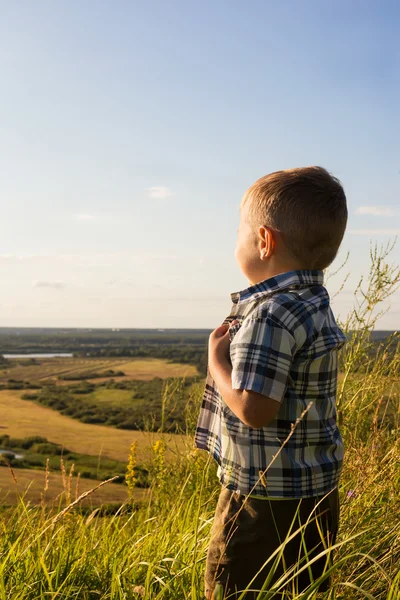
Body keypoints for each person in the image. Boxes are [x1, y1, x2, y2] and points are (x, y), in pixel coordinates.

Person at [194, 166, 348, 599]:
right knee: (301, 589)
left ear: (264, 241)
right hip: (315, 495)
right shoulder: (314, 304)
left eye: (239, 232)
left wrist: (215, 359)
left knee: (235, 586)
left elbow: (253, 409)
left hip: (262, 498)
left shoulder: (270, 313)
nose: (236, 243)